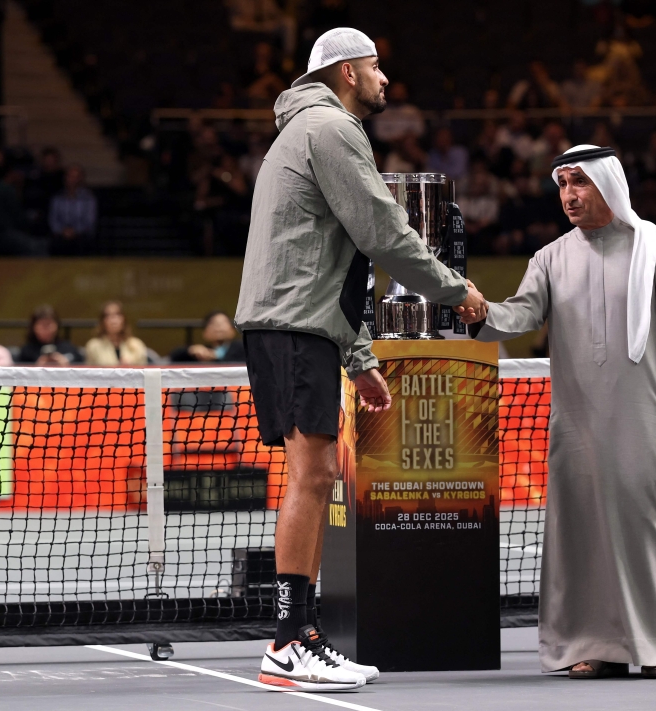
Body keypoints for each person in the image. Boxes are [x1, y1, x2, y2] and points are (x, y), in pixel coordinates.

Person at [234, 27, 486, 691]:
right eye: (376, 67)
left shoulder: (304, 130)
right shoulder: (332, 128)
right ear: (347, 71)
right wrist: (457, 291)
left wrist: (358, 356)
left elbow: (332, 265)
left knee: (313, 473)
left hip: (298, 325)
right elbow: (381, 231)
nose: (384, 80)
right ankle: (288, 641)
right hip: (294, 328)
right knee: (311, 475)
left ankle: (303, 635)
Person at [465, 144, 656, 679]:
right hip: (575, 420)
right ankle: (588, 644)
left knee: (644, 526)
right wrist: (481, 312)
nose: (569, 196)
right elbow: (518, 316)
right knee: (580, 529)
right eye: (562, 185)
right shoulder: (549, 258)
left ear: (608, 185)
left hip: (646, 417)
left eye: (579, 183)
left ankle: (653, 644)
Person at [48, 164, 98, 255]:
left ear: (81, 179)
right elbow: (53, 220)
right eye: (70, 176)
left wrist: (74, 231)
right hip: (61, 236)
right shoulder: (58, 198)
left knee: (83, 242)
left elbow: (89, 222)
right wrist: (62, 231)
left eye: (76, 177)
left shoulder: (88, 198)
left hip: (81, 236)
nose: (73, 180)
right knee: (55, 242)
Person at [84, 301, 149, 365]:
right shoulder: (93, 346)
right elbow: (89, 373)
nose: (113, 320)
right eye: (108, 316)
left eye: (117, 315)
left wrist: (129, 368)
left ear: (124, 319)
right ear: (102, 321)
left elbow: (143, 372)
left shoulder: (137, 344)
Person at [17, 305, 83, 365]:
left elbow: (81, 365)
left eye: (49, 324)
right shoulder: (26, 351)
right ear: (33, 327)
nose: (46, 329)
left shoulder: (68, 348)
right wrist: (36, 366)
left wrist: (66, 363)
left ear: (57, 325)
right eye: (42, 325)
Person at [169, 311, 245, 363]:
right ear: (205, 333)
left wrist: (215, 357)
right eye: (213, 323)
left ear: (233, 330)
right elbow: (174, 357)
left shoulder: (243, 348)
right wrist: (191, 350)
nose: (218, 327)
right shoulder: (202, 352)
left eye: (223, 323)